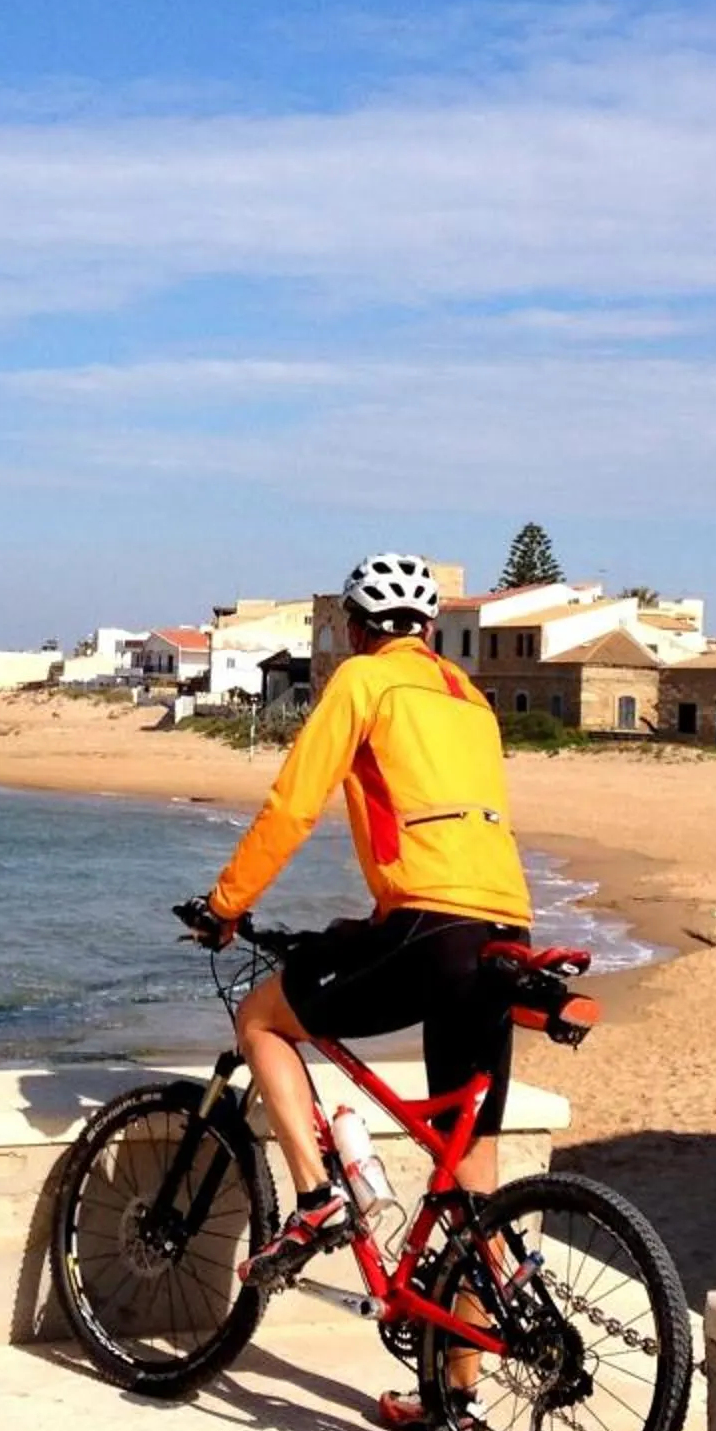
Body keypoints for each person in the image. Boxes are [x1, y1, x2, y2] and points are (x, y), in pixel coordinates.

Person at [190, 551, 533, 1387]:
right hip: (506, 927)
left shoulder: (362, 683)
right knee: (471, 1176)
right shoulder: (471, 699)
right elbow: (450, 824)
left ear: (353, 628)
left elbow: (293, 804)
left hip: (433, 924)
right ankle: (458, 1399)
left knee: (264, 1020)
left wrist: (226, 904)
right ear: (427, 628)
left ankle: (316, 1200)